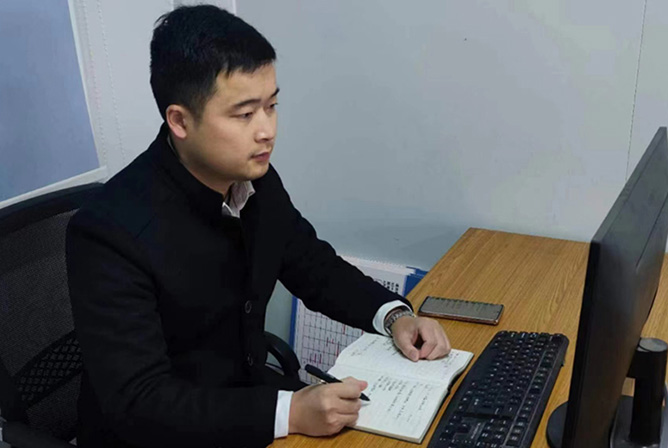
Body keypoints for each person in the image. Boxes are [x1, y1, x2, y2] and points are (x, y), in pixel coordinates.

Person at [66, 5, 451, 448]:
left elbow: (315, 267)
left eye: (272, 106)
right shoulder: (108, 233)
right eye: (245, 114)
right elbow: (140, 403)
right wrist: (290, 411)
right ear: (180, 121)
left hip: (244, 401)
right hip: (161, 433)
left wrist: (395, 316)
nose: (267, 130)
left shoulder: (254, 182)